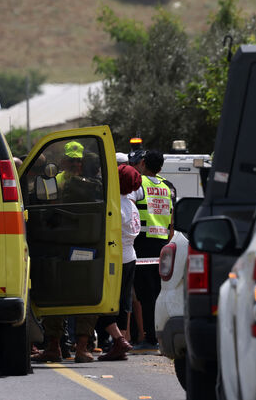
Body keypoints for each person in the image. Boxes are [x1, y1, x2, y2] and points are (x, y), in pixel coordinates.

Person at [97, 164, 142, 361]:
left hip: (116, 258)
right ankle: (120, 340)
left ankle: (118, 340)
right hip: (130, 256)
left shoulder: (115, 206)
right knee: (123, 301)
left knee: (104, 300)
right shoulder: (131, 204)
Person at [130, 149, 173, 349]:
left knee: (146, 295)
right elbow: (171, 220)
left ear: (143, 163)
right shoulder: (167, 187)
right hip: (163, 244)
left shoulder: (139, 184)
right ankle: (159, 335)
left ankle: (150, 339)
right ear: (161, 167)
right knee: (158, 293)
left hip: (143, 244)